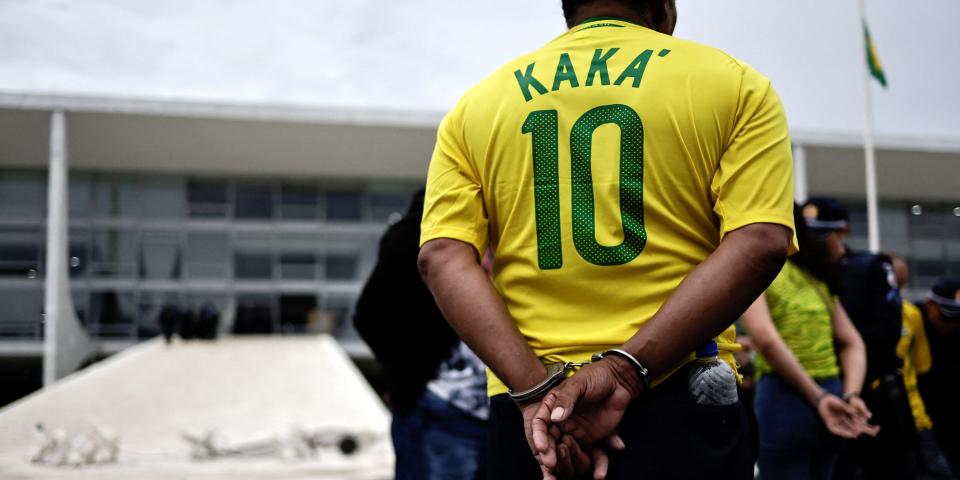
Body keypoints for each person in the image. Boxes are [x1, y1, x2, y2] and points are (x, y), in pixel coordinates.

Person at [417, 1, 798, 478]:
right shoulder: (735, 84)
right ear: (665, 9)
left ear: (569, 9)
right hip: (679, 395)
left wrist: (539, 395)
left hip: (532, 413)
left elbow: (442, 258)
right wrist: (624, 371)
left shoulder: (476, 106)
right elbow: (760, 240)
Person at [354, 190, 488, 480]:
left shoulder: (512, 226)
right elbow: (368, 316)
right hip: (438, 409)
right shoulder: (414, 237)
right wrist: (410, 376)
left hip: (504, 410)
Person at [742, 204, 877, 480]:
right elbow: (854, 343)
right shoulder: (814, 279)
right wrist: (850, 394)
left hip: (787, 396)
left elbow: (765, 339)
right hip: (832, 393)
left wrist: (820, 398)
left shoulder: (754, 271)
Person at [801, 197, 918, 479]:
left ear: (841, 231)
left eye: (821, 234)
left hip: (871, 393)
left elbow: (886, 331)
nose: (813, 242)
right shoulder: (801, 277)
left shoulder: (871, 268)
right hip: (816, 392)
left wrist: (837, 343)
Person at [888, 255, 955, 478]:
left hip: (930, 418)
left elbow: (921, 366)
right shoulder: (909, 317)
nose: (954, 325)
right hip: (907, 417)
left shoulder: (910, 316)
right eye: (949, 318)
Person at [917, 277, 960, 476]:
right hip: (923, 417)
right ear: (930, 305)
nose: (955, 325)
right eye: (949, 317)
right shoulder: (910, 321)